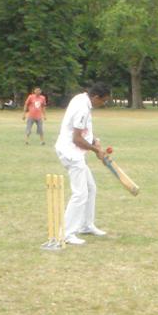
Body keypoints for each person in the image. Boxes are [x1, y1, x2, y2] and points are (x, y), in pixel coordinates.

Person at [55, 82, 111, 245]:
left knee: (91, 188)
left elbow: (84, 130)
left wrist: (95, 140)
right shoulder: (82, 108)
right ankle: (66, 233)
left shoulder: (82, 99)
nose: (103, 104)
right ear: (96, 97)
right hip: (71, 153)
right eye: (103, 101)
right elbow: (77, 138)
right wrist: (96, 150)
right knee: (80, 193)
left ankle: (86, 225)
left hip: (73, 151)